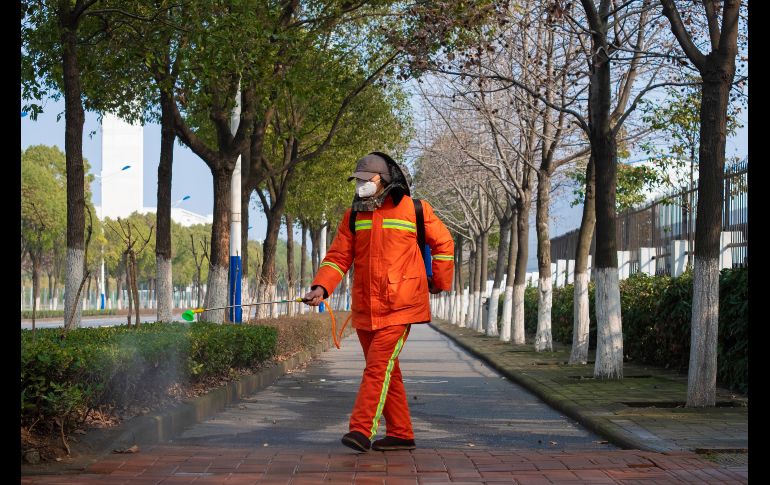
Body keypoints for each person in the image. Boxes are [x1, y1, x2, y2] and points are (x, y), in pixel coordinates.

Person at [304, 152, 454, 452]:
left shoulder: (415, 209)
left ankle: (361, 429)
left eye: (365, 179)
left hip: (401, 306)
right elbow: (339, 256)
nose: (360, 185)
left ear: (383, 180)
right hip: (365, 308)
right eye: (357, 180)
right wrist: (321, 286)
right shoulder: (353, 215)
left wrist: (439, 281)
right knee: (386, 370)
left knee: (376, 368)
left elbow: (444, 244)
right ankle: (401, 433)